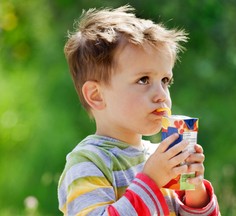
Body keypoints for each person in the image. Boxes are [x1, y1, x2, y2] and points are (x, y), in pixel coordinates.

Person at [58, 5, 220, 215]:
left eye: (165, 80)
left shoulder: (158, 158)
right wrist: (151, 180)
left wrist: (195, 193)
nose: (162, 94)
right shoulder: (88, 163)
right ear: (97, 95)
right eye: (143, 80)